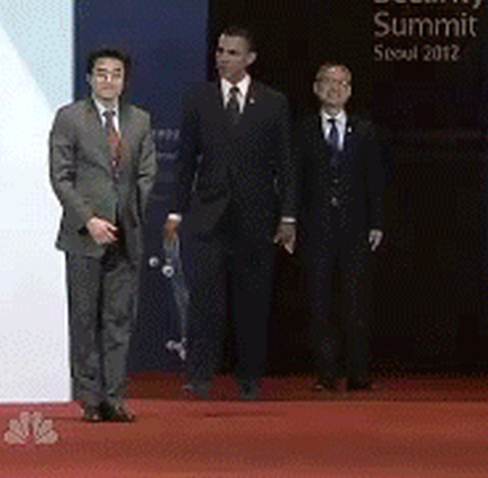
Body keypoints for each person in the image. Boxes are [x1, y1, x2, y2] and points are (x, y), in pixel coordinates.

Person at [165, 26, 296, 400]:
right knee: (205, 301)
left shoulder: (273, 102)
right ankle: (199, 375)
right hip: (207, 217)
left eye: (233, 52)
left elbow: (285, 163)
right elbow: (185, 160)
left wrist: (288, 216)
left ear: (250, 58)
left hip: (255, 218)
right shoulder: (199, 99)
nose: (223, 58)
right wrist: (176, 211)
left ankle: (250, 377)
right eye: (220, 51)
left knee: (252, 301)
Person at [49, 48, 157, 422]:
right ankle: (90, 398)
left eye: (116, 74)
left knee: (118, 320)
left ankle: (114, 397)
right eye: (102, 73)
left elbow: (147, 174)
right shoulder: (70, 118)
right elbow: (61, 176)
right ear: (89, 78)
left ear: (124, 80)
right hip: (84, 235)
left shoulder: (139, 120)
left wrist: (128, 216)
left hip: (125, 235)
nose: (108, 80)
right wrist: (90, 219)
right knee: (84, 318)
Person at [296, 62, 385, 392]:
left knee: (355, 300)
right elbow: (293, 180)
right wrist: (290, 220)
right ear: (316, 87)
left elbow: (375, 180)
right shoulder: (303, 130)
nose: (335, 89)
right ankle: (326, 373)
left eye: (342, 83)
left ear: (350, 91)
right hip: (315, 227)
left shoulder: (364, 130)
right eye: (328, 82)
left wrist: (377, 222)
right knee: (319, 302)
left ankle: (358, 372)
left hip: (355, 229)